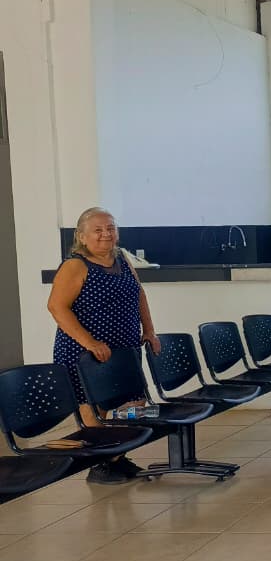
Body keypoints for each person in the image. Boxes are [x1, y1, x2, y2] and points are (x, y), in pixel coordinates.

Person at [48, 207, 158, 484]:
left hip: (124, 348)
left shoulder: (122, 259)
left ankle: (116, 456)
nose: (105, 234)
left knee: (133, 404)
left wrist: (149, 330)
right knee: (94, 409)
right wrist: (90, 342)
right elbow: (57, 307)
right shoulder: (75, 266)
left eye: (110, 228)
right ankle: (101, 465)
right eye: (97, 230)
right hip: (85, 351)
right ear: (81, 236)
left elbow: (139, 294)